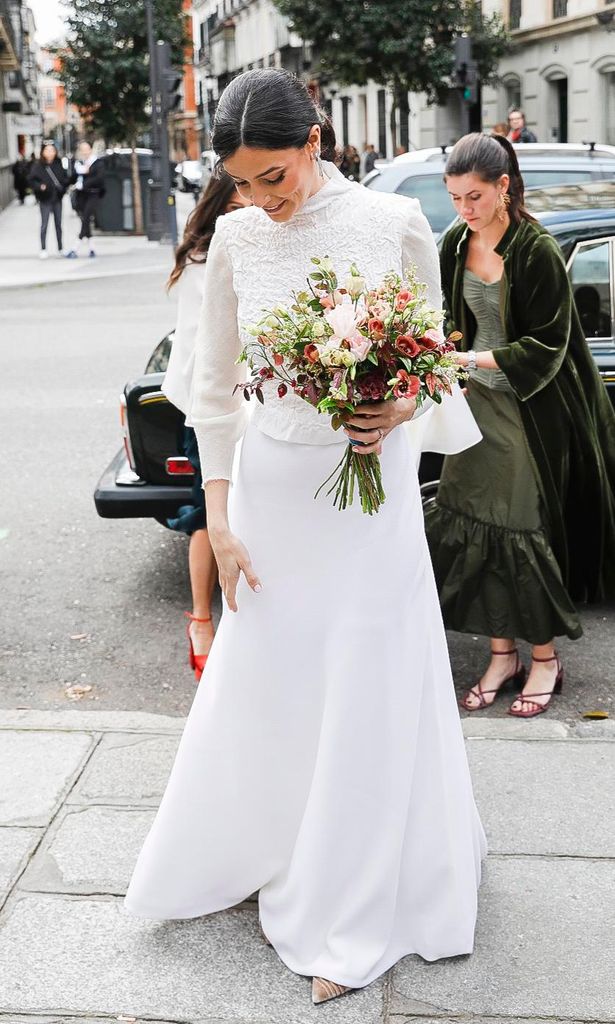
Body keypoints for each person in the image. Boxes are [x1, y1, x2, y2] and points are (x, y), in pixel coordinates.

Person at [123, 68, 486, 1005]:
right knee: (275, 675)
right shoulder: (237, 239)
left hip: (372, 494)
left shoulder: (391, 225)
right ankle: (265, 843)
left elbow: (432, 362)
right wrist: (221, 515)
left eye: (271, 176)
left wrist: (399, 399)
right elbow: (208, 390)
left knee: (367, 677)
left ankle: (351, 902)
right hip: (277, 494)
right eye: (241, 181)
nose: (257, 199)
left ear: (315, 142)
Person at [426, 132, 615, 718]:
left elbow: (546, 348)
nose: (464, 210)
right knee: (476, 523)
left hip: (528, 413)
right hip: (469, 409)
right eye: (455, 198)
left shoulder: (536, 250)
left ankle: (544, 660)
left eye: (475, 197)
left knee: (519, 531)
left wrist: (469, 361)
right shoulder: (455, 242)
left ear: (504, 187)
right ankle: (501, 654)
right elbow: (441, 316)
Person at [163, 173, 250, 681]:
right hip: (205, 404)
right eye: (238, 205)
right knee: (207, 513)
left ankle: (237, 623)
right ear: (219, 207)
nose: (249, 213)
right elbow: (202, 348)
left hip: (241, 400)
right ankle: (200, 620)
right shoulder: (204, 259)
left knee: (241, 510)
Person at [28, 141, 69, 259]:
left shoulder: (58, 163)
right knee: (44, 224)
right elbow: (31, 180)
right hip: (45, 198)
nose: (50, 153)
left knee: (58, 224)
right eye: (47, 150)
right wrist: (40, 186)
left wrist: (63, 187)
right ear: (43, 152)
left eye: (52, 150)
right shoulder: (38, 165)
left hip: (57, 198)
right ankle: (43, 248)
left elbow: (64, 178)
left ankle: (60, 248)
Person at [66, 140, 106, 258]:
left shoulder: (97, 163)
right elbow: (72, 178)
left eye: (86, 149)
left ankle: (75, 247)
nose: (84, 152)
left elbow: (99, 179)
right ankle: (92, 248)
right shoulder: (79, 163)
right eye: (82, 150)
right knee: (85, 220)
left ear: (90, 149)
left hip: (93, 194)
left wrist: (84, 183)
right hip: (81, 196)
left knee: (86, 218)